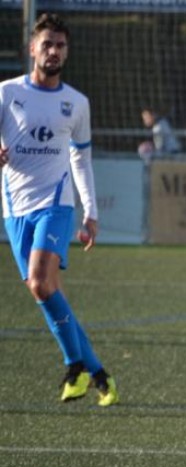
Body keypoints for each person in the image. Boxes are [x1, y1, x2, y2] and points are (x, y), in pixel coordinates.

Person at [0, 13, 118, 406]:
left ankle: (74, 367)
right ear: (32, 49)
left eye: (60, 46)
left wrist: (91, 211)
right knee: (48, 292)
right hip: (15, 210)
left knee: (38, 282)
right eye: (47, 44)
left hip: (55, 203)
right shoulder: (6, 94)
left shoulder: (76, 103)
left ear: (67, 52)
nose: (54, 51)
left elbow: (81, 160)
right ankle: (100, 374)